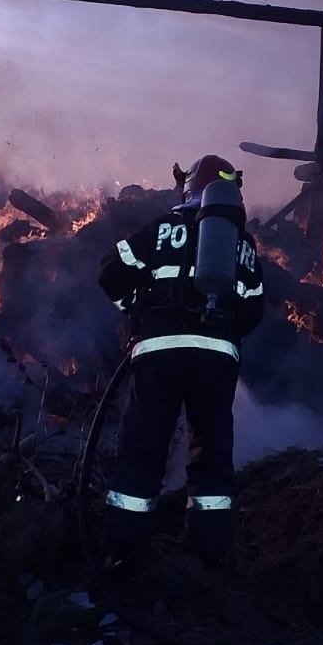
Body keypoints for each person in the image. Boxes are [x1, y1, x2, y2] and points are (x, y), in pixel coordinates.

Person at [96, 154, 265, 572]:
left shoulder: (161, 228)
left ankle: (125, 551)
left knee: (142, 449)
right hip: (216, 361)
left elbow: (110, 272)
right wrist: (222, 333)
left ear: (187, 190)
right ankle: (209, 554)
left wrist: (136, 307)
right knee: (211, 455)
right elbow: (254, 311)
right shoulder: (242, 245)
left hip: (159, 353)